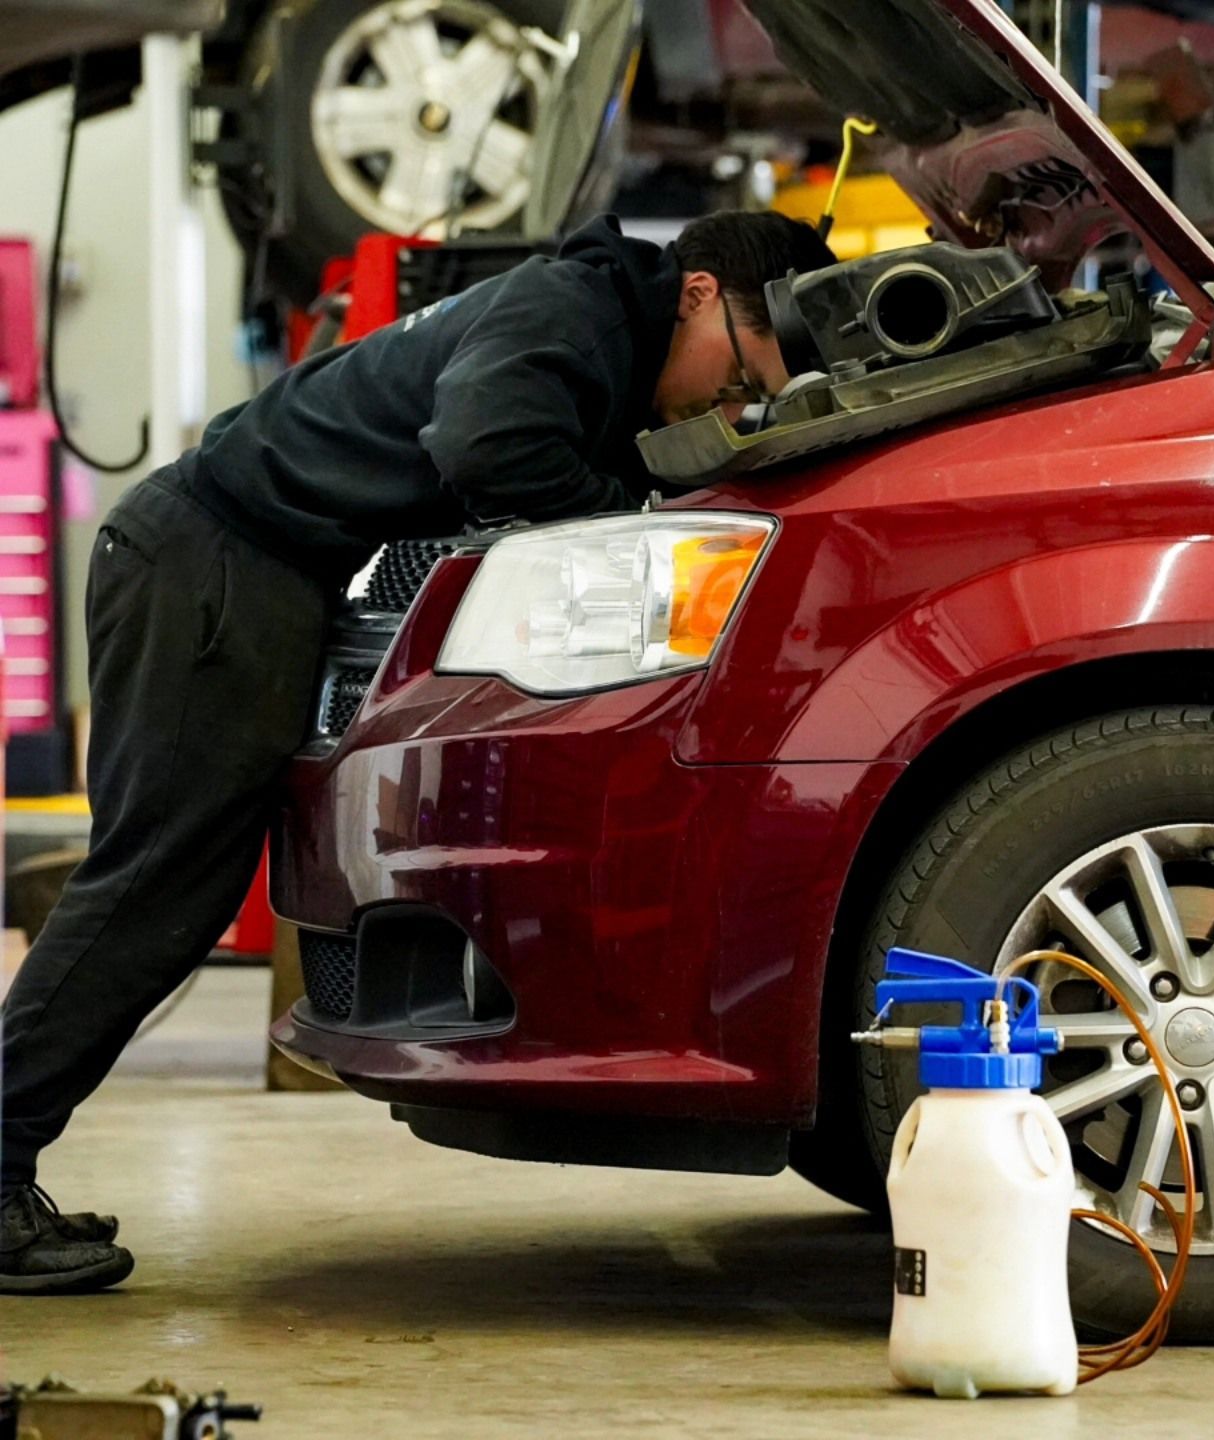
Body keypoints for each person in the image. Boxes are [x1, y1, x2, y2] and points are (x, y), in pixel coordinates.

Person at [0, 210, 837, 1294]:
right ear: (698, 291)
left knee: (167, 889)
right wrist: (625, 525)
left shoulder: (598, 328)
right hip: (207, 565)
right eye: (738, 374)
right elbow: (487, 443)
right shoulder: (574, 308)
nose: (728, 405)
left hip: (237, 570)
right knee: (154, 887)